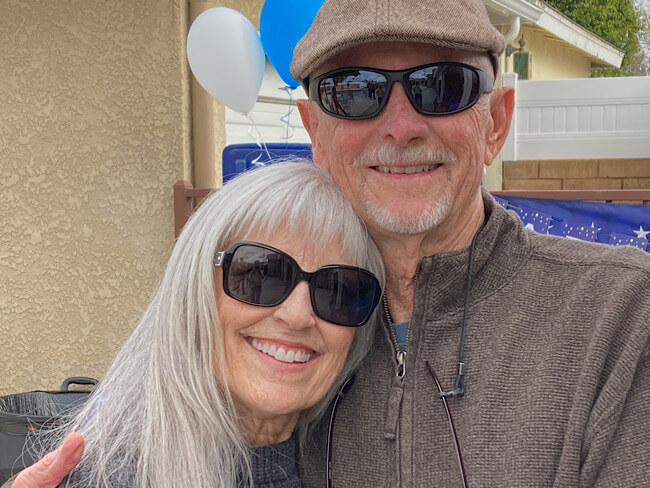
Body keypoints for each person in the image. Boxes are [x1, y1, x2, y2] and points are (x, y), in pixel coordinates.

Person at [291, 0, 650, 487]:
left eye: (442, 87)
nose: (402, 128)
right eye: (355, 92)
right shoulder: (270, 318)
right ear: (315, 131)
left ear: (496, 123)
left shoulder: (622, 316)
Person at [7, 161, 384, 488]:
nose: (298, 316)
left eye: (339, 290)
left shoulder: (362, 466)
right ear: (194, 291)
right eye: (260, 273)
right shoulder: (109, 475)